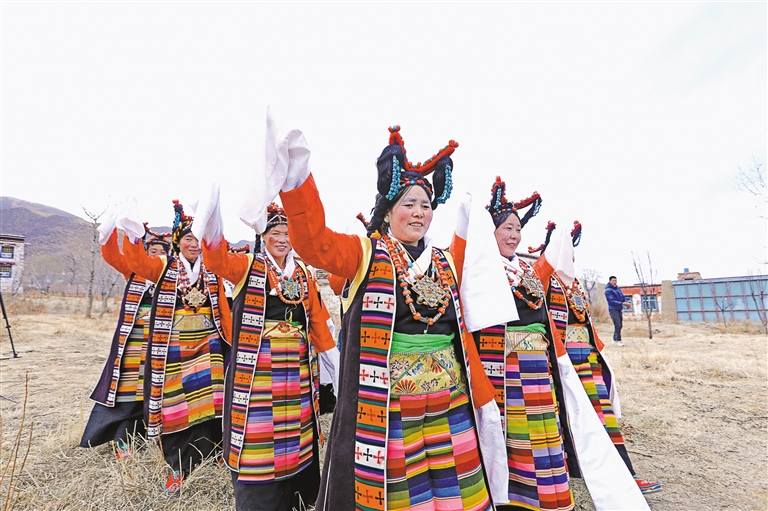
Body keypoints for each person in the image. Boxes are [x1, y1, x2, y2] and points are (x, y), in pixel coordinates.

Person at [276, 125, 508, 511]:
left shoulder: (444, 261)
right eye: (409, 204)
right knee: (404, 495)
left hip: (450, 399)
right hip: (392, 407)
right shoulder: (365, 254)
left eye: (426, 205)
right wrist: (296, 178)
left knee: (457, 491)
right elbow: (314, 242)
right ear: (387, 211)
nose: (419, 212)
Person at [198, 199, 340, 511]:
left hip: (298, 370)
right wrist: (211, 221)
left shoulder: (303, 273)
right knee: (258, 434)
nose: (282, 239)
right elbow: (216, 261)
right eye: (276, 232)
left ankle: (300, 497)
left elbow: (316, 319)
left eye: (288, 233)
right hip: (258, 371)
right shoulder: (247, 266)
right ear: (263, 235)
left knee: (299, 432)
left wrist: (334, 364)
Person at [533, 222, 661, 497]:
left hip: (587, 361)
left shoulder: (575, 285)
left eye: (573, 251)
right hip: (561, 362)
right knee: (567, 421)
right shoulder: (542, 282)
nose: (571, 256)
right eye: (566, 250)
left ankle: (625, 474)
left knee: (603, 417)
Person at [475, 177, 574, 511]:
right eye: (507, 228)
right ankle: (513, 499)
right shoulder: (478, 270)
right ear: (490, 232)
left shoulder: (526, 271)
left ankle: (547, 496)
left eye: (518, 229)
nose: (514, 235)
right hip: (503, 367)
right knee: (512, 433)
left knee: (542, 430)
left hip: (536, 367)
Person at [119, 200, 231, 495]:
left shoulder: (213, 269)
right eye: (188, 238)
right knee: (176, 405)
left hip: (209, 344)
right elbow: (137, 264)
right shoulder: (163, 266)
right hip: (174, 346)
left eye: (198, 239)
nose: (194, 244)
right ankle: (177, 465)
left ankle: (216, 451)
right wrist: (133, 237)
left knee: (214, 401)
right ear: (178, 242)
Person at [80, 222, 171, 459]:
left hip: (163, 341)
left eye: (162, 252)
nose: (157, 256)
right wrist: (109, 231)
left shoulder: (171, 276)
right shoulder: (133, 270)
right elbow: (111, 255)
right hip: (134, 339)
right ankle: (123, 441)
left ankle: (158, 438)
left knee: (157, 388)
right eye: (152, 251)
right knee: (128, 390)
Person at [604, 276, 631, 346]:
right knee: (618, 325)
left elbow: (623, 297)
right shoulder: (608, 290)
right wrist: (622, 303)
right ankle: (619, 340)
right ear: (610, 281)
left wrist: (626, 302)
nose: (615, 282)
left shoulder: (618, 289)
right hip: (613, 309)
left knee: (620, 325)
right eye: (613, 280)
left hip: (619, 309)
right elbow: (611, 301)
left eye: (615, 280)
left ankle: (614, 339)